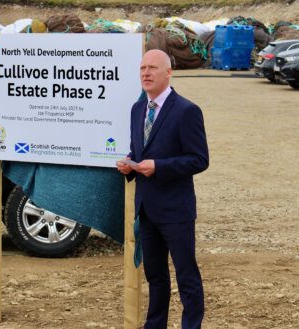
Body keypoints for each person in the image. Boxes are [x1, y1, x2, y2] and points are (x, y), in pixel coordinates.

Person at [117, 49, 209, 329]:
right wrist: (128, 165)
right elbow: (138, 150)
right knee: (156, 277)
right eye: (142, 68)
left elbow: (199, 159)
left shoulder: (187, 111)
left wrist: (159, 166)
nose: (146, 73)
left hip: (176, 210)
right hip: (147, 208)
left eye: (152, 68)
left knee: (186, 276)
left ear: (168, 72)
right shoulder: (137, 109)